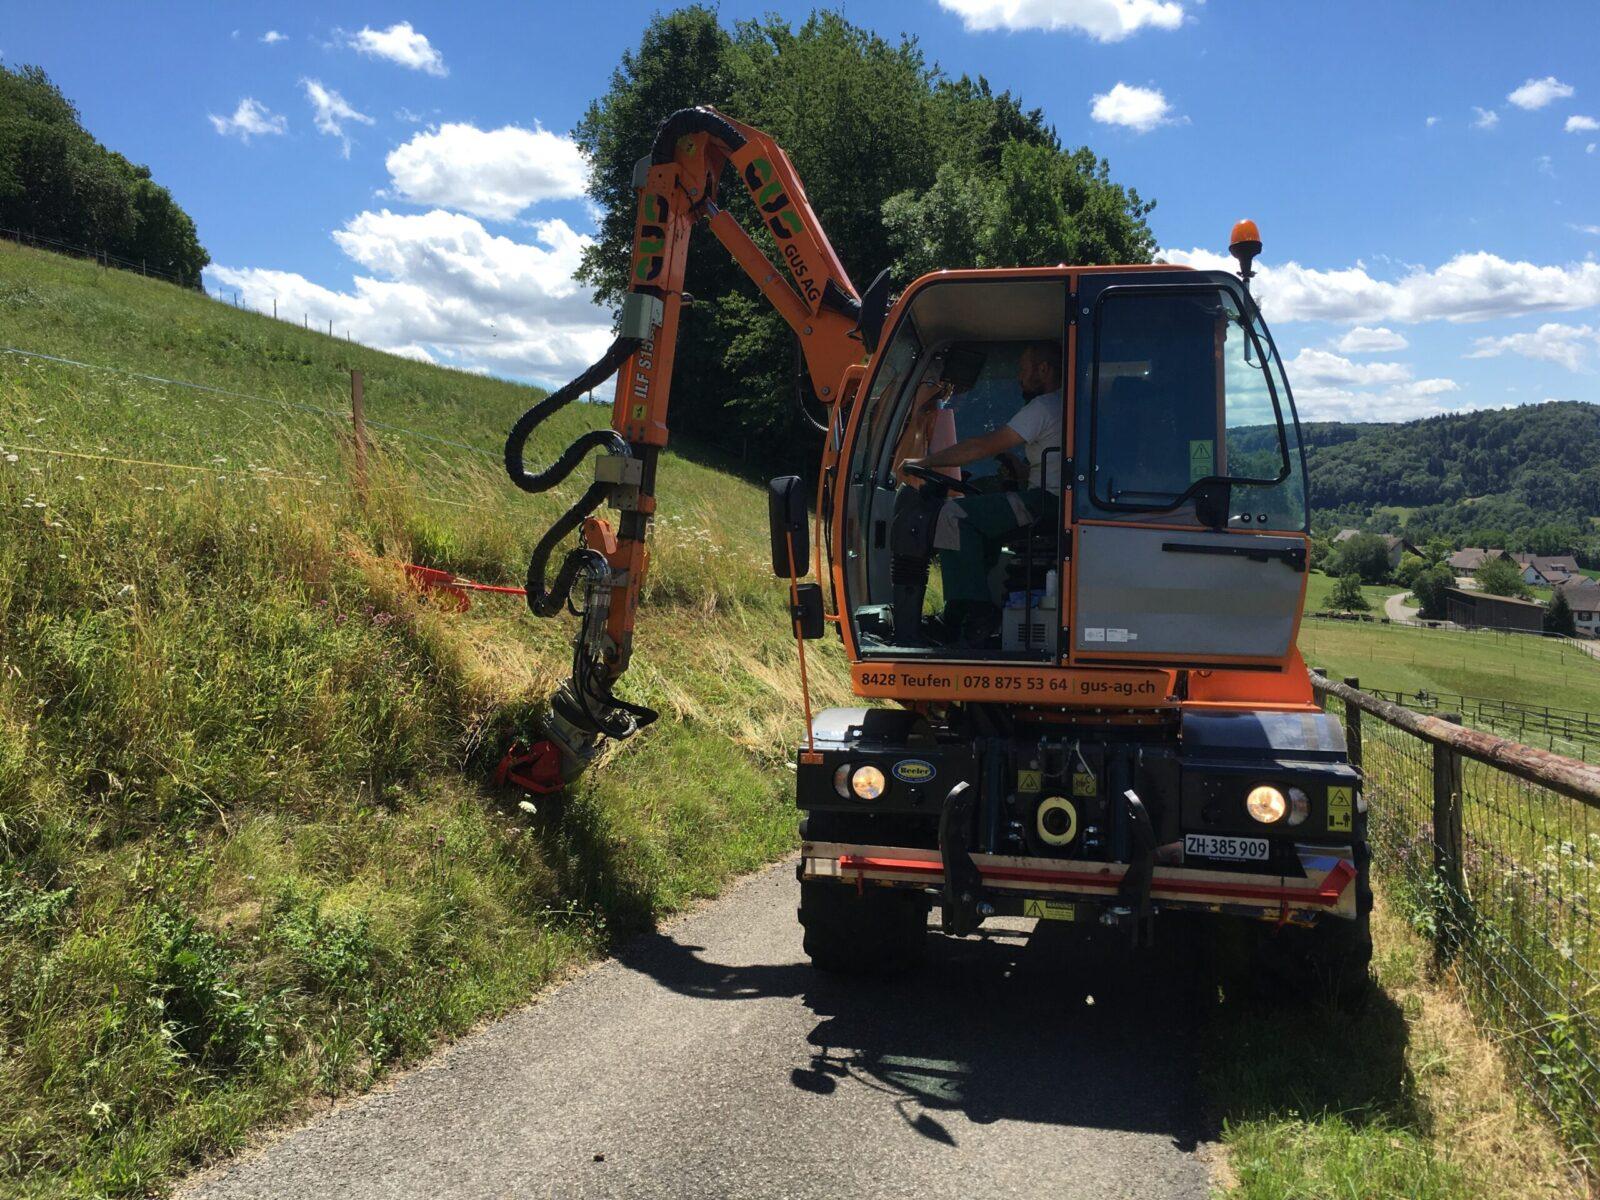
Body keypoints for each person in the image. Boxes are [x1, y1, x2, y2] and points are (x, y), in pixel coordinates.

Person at [898, 340, 1063, 642]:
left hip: (1046, 504)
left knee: (954, 514)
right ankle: (974, 608)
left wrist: (926, 461)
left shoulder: (1044, 406)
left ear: (1044, 369)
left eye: (1023, 369)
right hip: (1052, 501)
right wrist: (1018, 467)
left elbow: (983, 446)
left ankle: (970, 612)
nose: (1019, 377)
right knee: (980, 507)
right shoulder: (1066, 406)